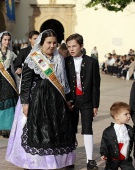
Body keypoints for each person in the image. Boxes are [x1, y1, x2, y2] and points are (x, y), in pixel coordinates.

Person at [6, 29, 76, 169]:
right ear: (41, 43)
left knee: (54, 129)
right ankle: (36, 162)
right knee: (38, 130)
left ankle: (56, 161)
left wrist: (68, 100)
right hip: (38, 99)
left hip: (56, 101)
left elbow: (63, 82)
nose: (52, 46)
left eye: (54, 43)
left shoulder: (59, 58)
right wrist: (25, 103)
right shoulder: (33, 58)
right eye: (49, 42)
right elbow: (25, 83)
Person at [65, 33, 100, 170]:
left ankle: (90, 160)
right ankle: (70, 159)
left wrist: (95, 104)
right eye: (69, 47)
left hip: (86, 101)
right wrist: (67, 100)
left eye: (74, 46)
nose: (71, 49)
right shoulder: (65, 61)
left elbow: (96, 85)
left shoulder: (92, 62)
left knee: (87, 129)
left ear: (81, 46)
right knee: (71, 130)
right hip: (71, 101)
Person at [100, 102, 134, 170]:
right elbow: (104, 144)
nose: (129, 116)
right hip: (112, 160)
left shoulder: (129, 129)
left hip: (125, 159)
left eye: (129, 113)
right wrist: (104, 154)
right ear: (116, 116)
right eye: (126, 114)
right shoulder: (108, 131)